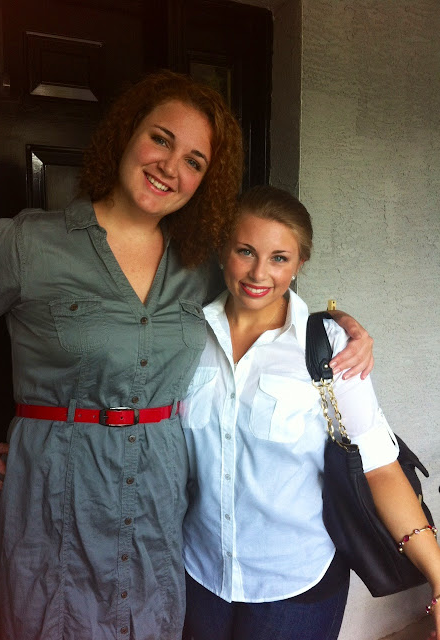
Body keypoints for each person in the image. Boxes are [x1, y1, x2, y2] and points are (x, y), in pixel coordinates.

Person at [0, 72, 373, 640]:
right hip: (54, 494)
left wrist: (339, 325)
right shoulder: (29, 244)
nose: (170, 167)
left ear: (206, 180)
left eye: (194, 161)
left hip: (158, 502)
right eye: (161, 139)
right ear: (127, 133)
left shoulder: (200, 264)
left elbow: (265, 294)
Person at [181, 185, 440, 640]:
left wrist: (438, 576)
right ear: (223, 251)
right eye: (245, 251)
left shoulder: (329, 346)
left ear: (300, 262)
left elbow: (379, 467)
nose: (259, 272)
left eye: (279, 258)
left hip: (296, 585)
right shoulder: (186, 336)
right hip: (198, 574)